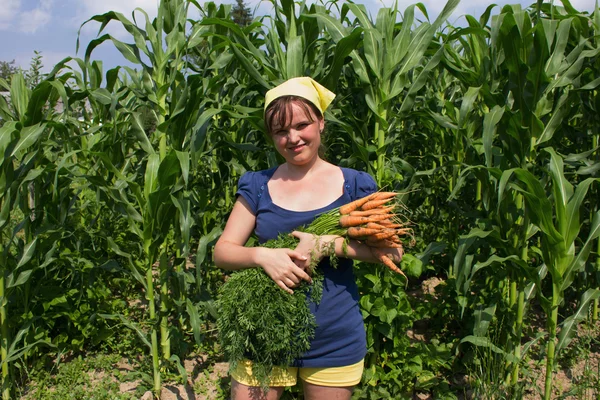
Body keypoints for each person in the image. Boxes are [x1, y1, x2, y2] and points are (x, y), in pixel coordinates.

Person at [213, 77, 403, 400]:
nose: (293, 138)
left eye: (302, 125)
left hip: (333, 337)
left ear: (321, 122)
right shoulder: (258, 185)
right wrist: (263, 256)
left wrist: (327, 244)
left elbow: (394, 252)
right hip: (262, 334)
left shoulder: (354, 185)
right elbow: (222, 252)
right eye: (281, 131)